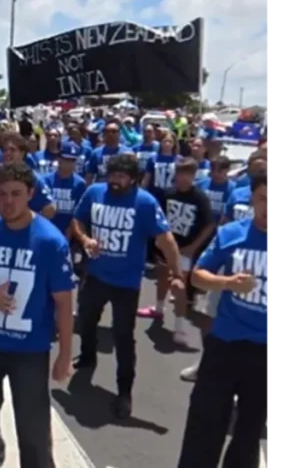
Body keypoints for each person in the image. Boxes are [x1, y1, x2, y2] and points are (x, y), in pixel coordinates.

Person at [0, 162, 75, 468]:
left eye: (15, 193)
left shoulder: (50, 241)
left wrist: (65, 354)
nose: (7, 201)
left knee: (33, 426)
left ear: (30, 194)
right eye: (1, 194)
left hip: (30, 348)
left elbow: (64, 302)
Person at [70, 153, 185, 419]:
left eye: (122, 177)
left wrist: (178, 274)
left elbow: (165, 240)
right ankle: (88, 356)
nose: (115, 181)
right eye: (112, 175)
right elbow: (77, 221)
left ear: (134, 179)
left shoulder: (145, 203)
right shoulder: (94, 192)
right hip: (96, 275)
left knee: (123, 338)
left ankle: (124, 392)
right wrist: (85, 240)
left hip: (126, 284)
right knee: (85, 320)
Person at [176, 173, 270, 468]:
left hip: (265, 351)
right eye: (264, 199)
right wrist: (228, 282)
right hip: (225, 343)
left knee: (249, 429)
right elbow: (199, 275)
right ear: (252, 199)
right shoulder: (232, 233)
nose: (269, 206)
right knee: (206, 421)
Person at [137, 158, 215, 347]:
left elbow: (209, 224)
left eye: (187, 175)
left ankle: (179, 326)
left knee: (179, 286)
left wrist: (194, 247)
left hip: (186, 249)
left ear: (193, 176)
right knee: (162, 277)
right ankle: (158, 308)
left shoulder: (200, 197)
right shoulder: (168, 193)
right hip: (166, 246)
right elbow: (159, 217)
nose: (182, 178)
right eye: (180, 174)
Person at [0, 133, 56, 219]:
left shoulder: (33, 177)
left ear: (22, 153)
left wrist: (34, 222)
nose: (7, 153)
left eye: (12, 150)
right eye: (4, 150)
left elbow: (51, 208)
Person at [41, 143, 88, 239]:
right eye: (66, 159)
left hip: (70, 233)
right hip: (47, 230)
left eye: (72, 160)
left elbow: (78, 214)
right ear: (58, 159)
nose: (69, 163)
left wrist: (68, 235)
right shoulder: (45, 181)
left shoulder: (80, 184)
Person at [195, 156, 236, 224]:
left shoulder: (234, 189)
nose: (215, 174)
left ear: (227, 170)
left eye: (219, 171)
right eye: (213, 170)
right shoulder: (200, 184)